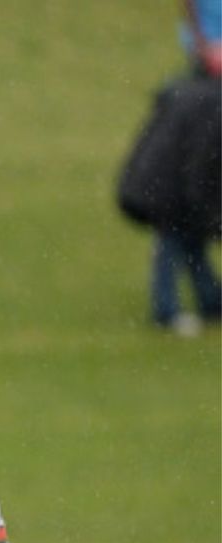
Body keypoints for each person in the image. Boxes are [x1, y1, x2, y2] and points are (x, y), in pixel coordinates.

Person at [151, 0, 222, 336]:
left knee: (193, 209)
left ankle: (210, 299)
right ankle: (167, 308)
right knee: (181, 205)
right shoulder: (193, 93)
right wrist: (206, 46)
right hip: (207, 72)